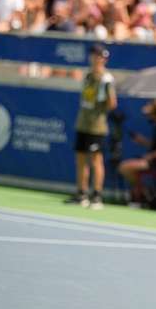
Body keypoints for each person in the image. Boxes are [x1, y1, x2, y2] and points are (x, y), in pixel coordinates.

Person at [67, 44, 116, 209]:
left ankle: (97, 196)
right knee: (80, 159)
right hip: (82, 123)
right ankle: (81, 194)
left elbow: (112, 103)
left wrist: (99, 112)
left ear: (104, 59)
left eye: (99, 56)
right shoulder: (87, 76)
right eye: (94, 55)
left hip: (97, 127)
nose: (96, 58)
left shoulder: (106, 79)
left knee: (96, 160)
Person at [118, 99, 156, 205]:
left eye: (151, 114)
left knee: (125, 167)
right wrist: (142, 141)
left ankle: (143, 194)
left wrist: (151, 156)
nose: (149, 117)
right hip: (150, 161)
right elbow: (155, 146)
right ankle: (143, 194)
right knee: (125, 168)